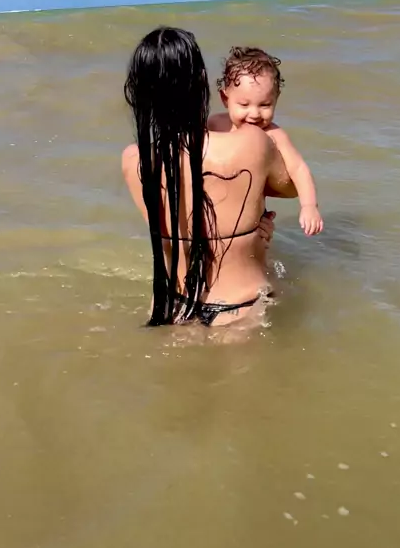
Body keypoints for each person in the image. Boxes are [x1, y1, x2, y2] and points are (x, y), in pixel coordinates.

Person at [122, 27, 297, 330]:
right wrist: (256, 221)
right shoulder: (252, 142)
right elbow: (290, 187)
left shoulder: (134, 160)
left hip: (172, 307)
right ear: (202, 82)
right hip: (240, 308)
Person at [209, 46, 323, 237]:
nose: (254, 114)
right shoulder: (214, 124)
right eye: (244, 104)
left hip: (254, 216)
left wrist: (309, 206)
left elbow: (298, 169)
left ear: (276, 99)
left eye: (265, 105)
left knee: (257, 240)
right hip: (218, 205)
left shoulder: (274, 134)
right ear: (225, 98)